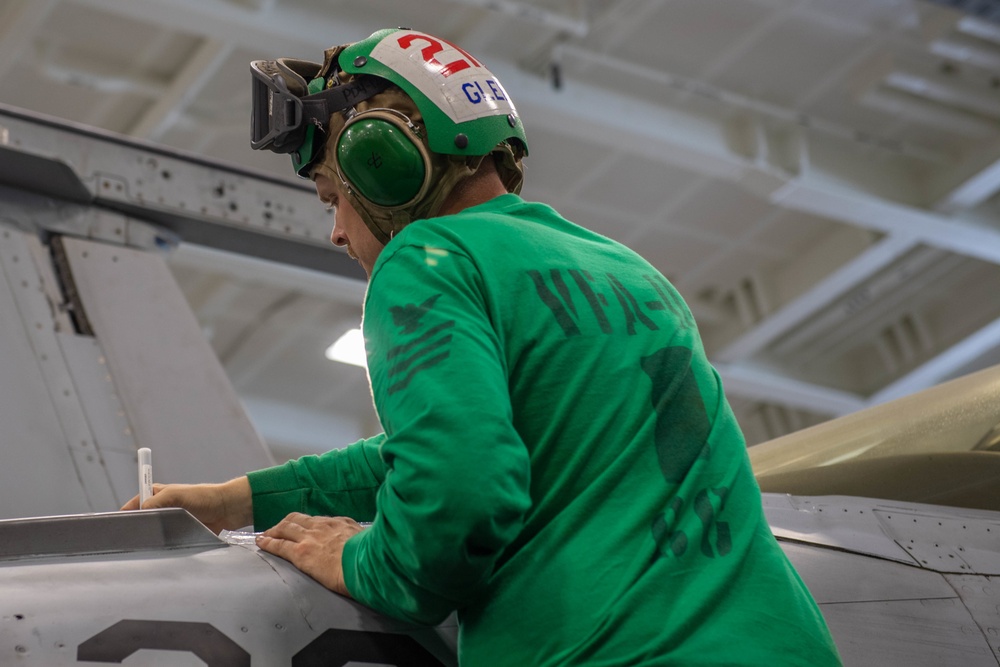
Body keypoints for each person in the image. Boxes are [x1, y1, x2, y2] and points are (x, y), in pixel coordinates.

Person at [125, 28, 842, 666]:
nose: (338, 232)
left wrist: (364, 559)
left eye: (329, 196)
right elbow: (465, 439)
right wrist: (240, 499)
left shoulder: (427, 260)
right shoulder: (625, 267)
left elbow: (459, 486)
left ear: (381, 161)